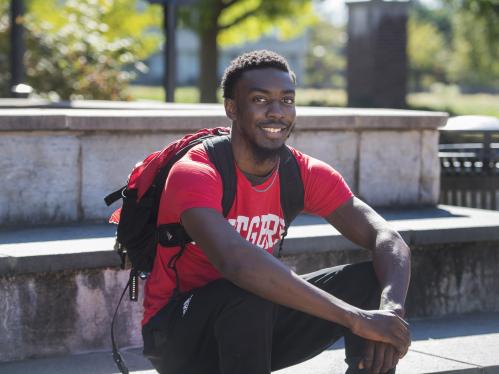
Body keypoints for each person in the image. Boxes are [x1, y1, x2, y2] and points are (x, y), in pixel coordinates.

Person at [141, 50, 411, 374]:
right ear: (232, 108)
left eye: (286, 100)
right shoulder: (196, 172)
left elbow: (387, 238)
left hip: (253, 326)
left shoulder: (301, 173)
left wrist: (390, 314)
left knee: (372, 280)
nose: (277, 112)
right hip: (178, 335)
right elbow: (237, 264)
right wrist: (356, 319)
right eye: (259, 99)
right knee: (248, 292)